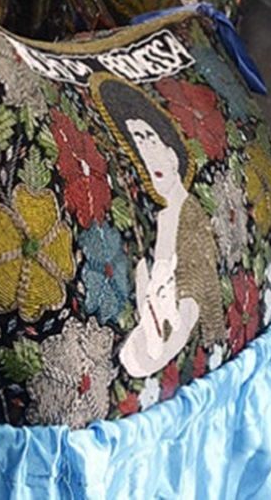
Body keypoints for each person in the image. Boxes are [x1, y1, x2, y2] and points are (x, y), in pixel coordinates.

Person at [95, 77, 226, 377]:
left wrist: (163, 346)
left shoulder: (190, 216)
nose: (148, 155)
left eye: (149, 139)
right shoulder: (163, 217)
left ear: (171, 153)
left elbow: (195, 295)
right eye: (139, 145)